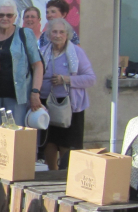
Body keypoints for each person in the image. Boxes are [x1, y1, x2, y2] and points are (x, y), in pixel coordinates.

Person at [40, 18, 96, 169]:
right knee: (49, 143)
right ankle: (51, 175)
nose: (58, 35)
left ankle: (67, 178)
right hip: (46, 105)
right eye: (54, 32)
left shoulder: (77, 53)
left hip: (71, 108)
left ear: (67, 34)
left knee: (68, 145)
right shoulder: (43, 51)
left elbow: (91, 79)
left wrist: (66, 79)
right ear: (49, 34)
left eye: (61, 32)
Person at [0, 0, 44, 127]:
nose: (5, 18)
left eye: (9, 15)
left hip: (17, 97)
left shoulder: (24, 34)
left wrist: (35, 91)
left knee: (15, 137)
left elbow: (37, 65)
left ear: (15, 17)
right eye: (1, 15)